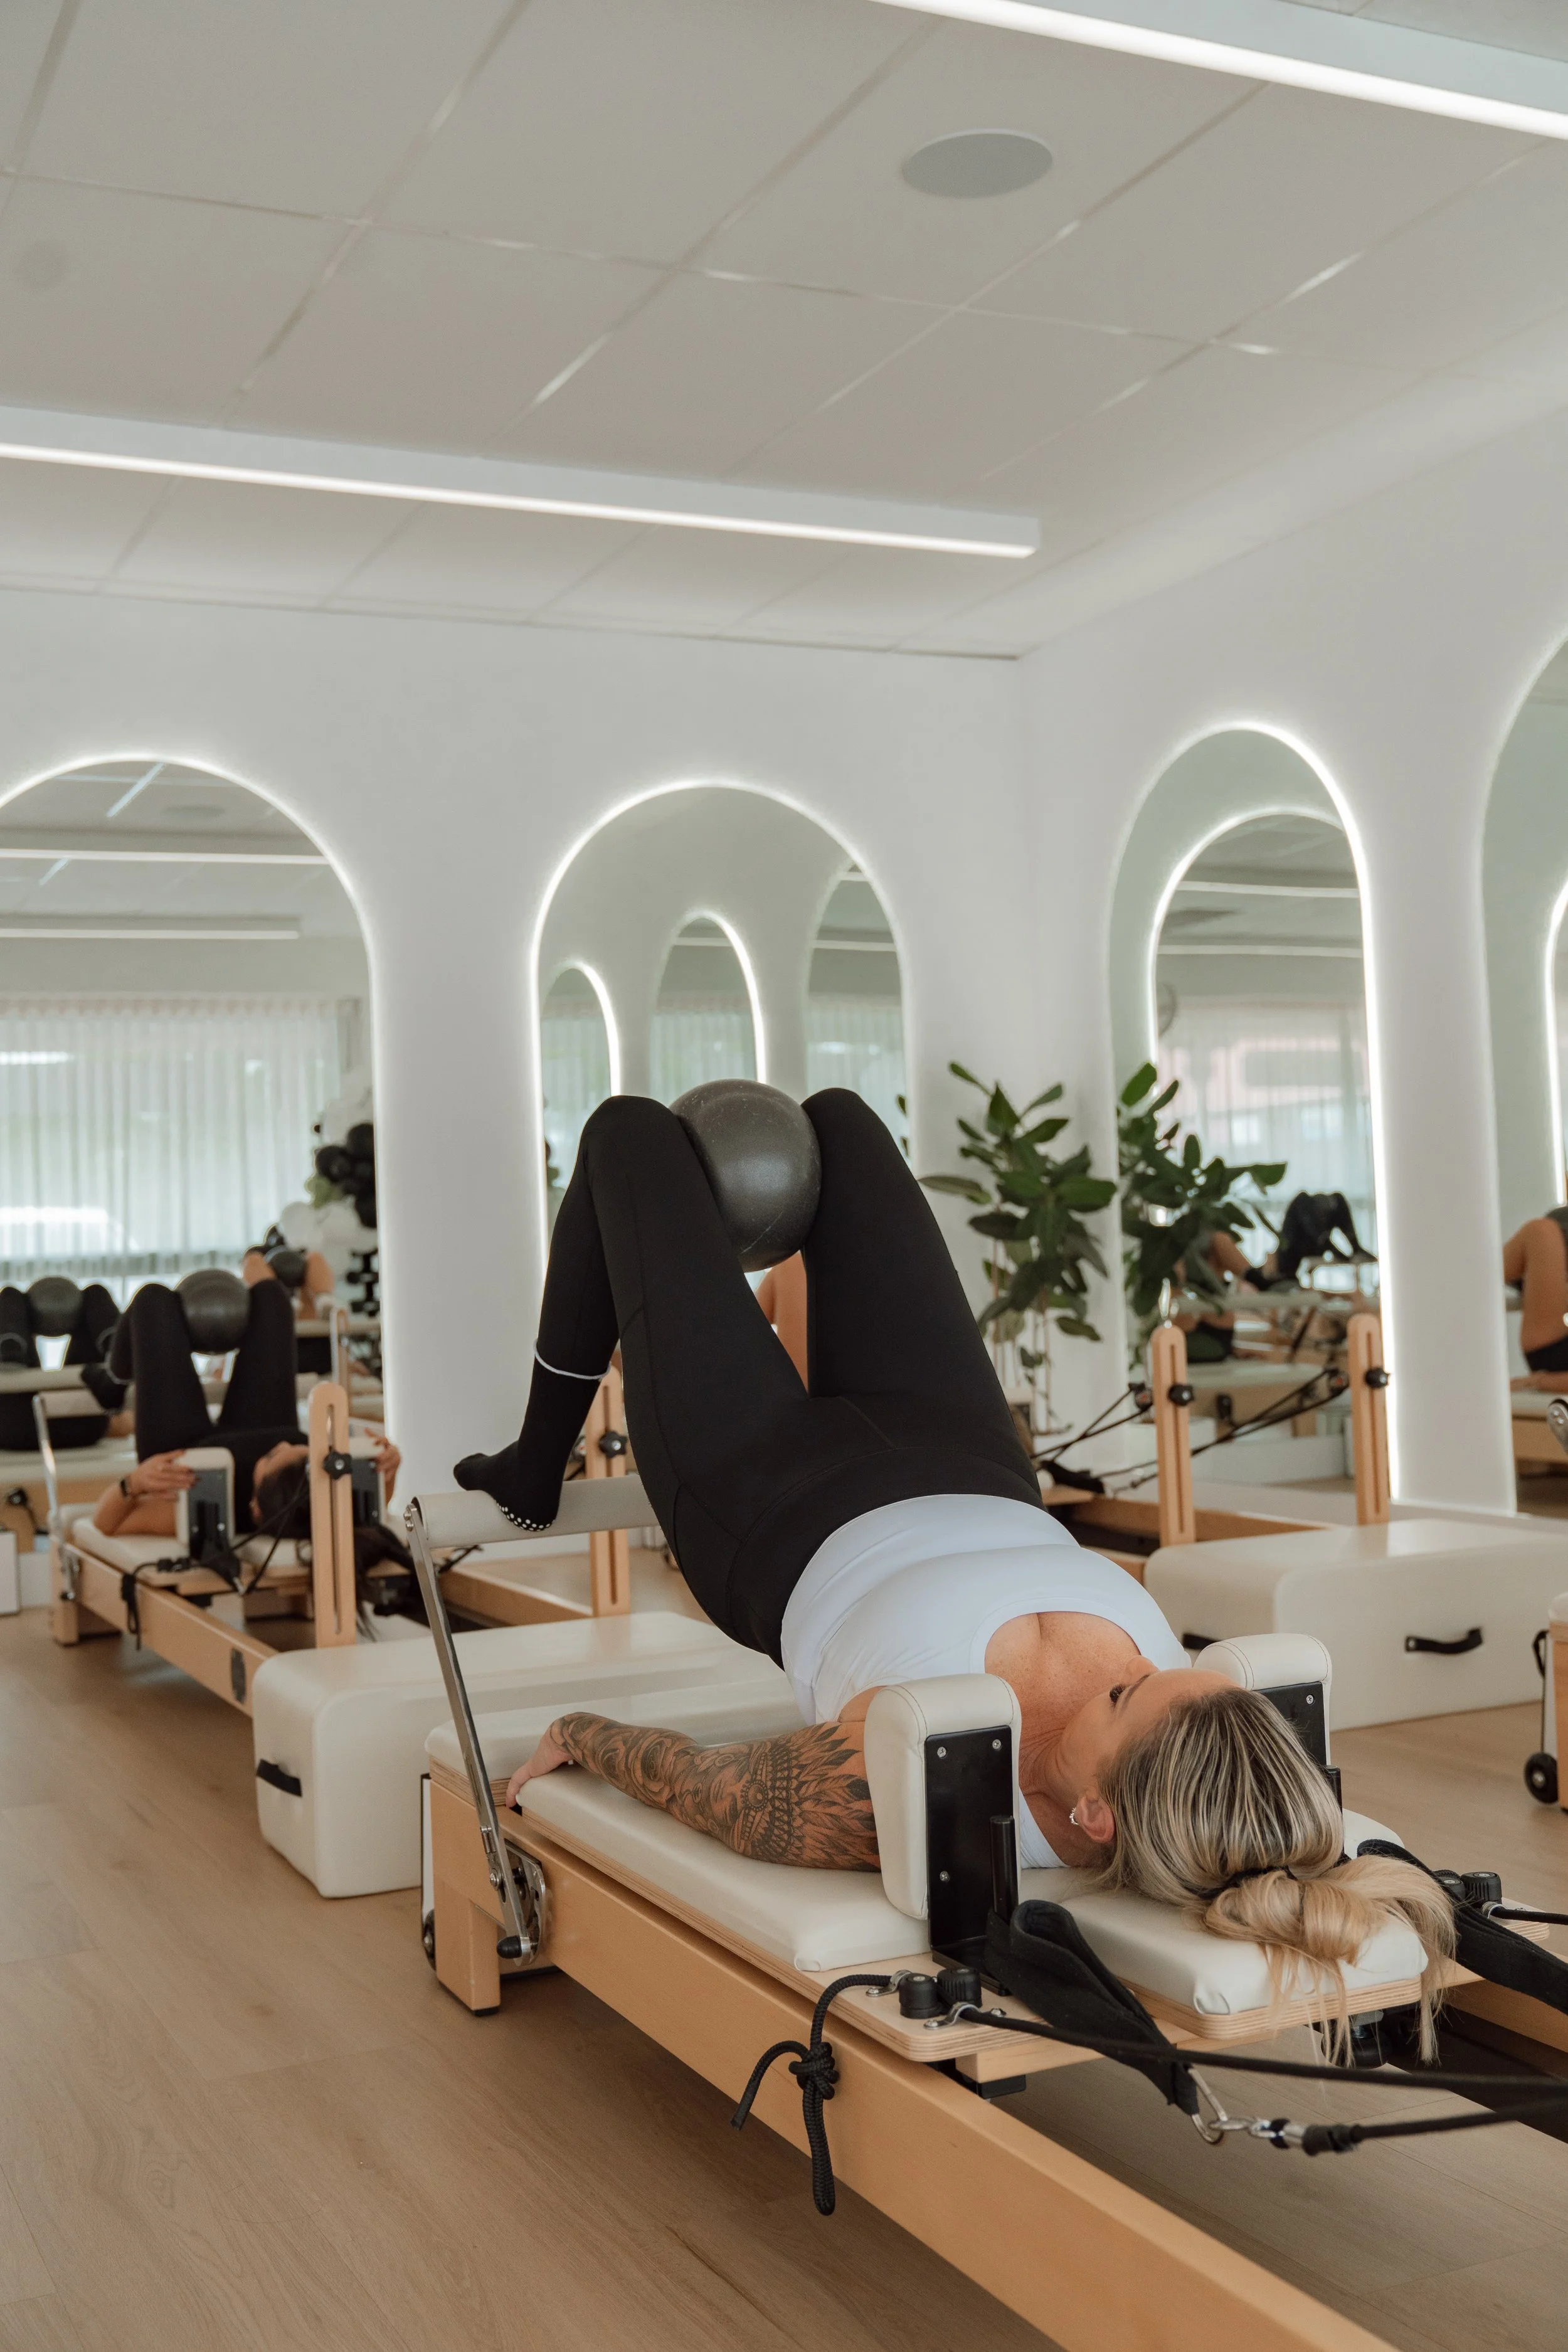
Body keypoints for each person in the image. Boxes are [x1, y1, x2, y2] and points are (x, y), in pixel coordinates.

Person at [457, 1091, 1452, 2044]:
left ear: (1095, 1813)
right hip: (970, 1455)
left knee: (628, 1134)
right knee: (841, 1126)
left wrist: (578, 1735)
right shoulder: (1209, 1763)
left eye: (1123, 1691)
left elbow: (710, 1786)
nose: (1135, 1667)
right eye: (1156, 1666)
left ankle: (536, 1463)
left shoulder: (922, 1781)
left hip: (761, 1499)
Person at [1505, 1209, 1568, 1389]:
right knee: (1543, 1231)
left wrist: (1536, 1382)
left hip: (1557, 1357)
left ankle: (1454, 1281)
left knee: (1541, 1232)